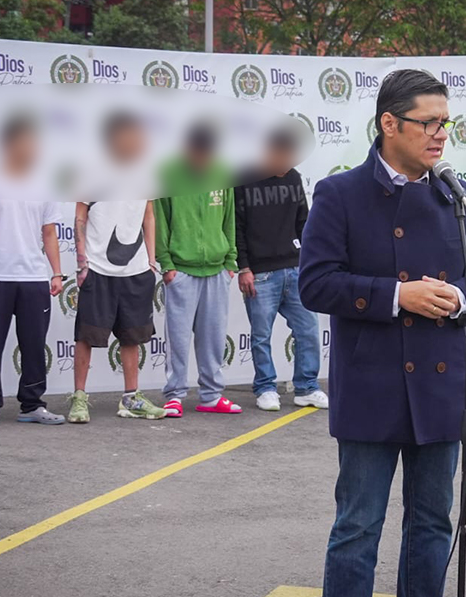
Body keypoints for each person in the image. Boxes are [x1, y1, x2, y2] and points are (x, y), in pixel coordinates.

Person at [299, 69, 466, 597]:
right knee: (358, 527)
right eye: (429, 122)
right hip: (372, 387)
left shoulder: (458, 196)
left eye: (447, 123)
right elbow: (315, 284)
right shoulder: (340, 193)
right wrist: (397, 295)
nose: (441, 134)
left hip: (440, 389)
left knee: (432, 524)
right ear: (389, 124)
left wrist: (458, 299)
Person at [0, 116, 67, 428]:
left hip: (33, 278)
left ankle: (32, 404)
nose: (32, 147)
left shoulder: (44, 182)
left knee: (34, 344)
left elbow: (49, 233)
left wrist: (56, 272)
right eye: (25, 140)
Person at [66, 113, 166, 423]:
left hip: (136, 271)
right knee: (86, 336)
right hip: (97, 268)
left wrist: (151, 260)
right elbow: (80, 215)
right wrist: (82, 261)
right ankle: (79, 399)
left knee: (132, 337)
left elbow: (149, 215)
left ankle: (130, 398)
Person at [234, 130, 328, 412]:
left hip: (296, 268)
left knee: (309, 330)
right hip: (260, 274)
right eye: (283, 156)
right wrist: (244, 267)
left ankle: (307, 387)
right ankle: (265, 388)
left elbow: (305, 223)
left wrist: (309, 262)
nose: (287, 163)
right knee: (261, 335)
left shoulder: (294, 178)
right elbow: (236, 227)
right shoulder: (243, 180)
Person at [155, 126, 242, 417]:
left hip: (217, 270)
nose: (202, 160)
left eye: (208, 154)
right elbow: (160, 220)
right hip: (181, 269)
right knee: (178, 339)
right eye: (197, 153)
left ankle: (211, 395)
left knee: (214, 338)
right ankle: (175, 395)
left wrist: (231, 261)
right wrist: (167, 264)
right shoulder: (168, 174)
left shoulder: (222, 173)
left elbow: (229, 217)